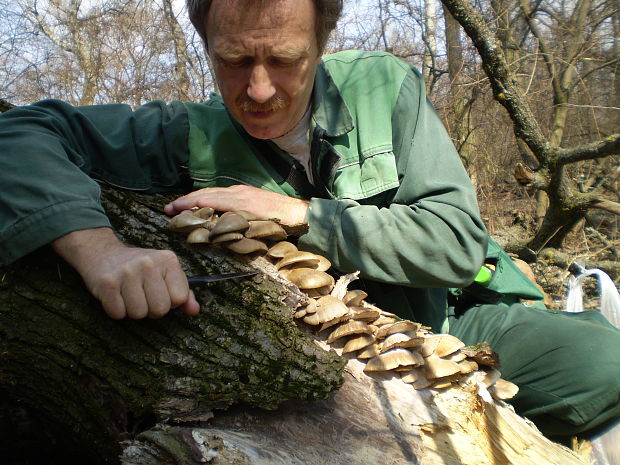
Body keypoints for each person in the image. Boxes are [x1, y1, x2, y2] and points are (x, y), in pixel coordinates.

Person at [0, 0, 618, 441]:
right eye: (234, 60)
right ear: (207, 44)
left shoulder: (383, 89)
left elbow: (455, 243)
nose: (259, 89)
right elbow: (20, 131)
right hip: (333, 364)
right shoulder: (181, 132)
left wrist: (298, 214)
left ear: (321, 43)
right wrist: (98, 249)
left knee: (603, 365)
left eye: (285, 59)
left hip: (453, 316)